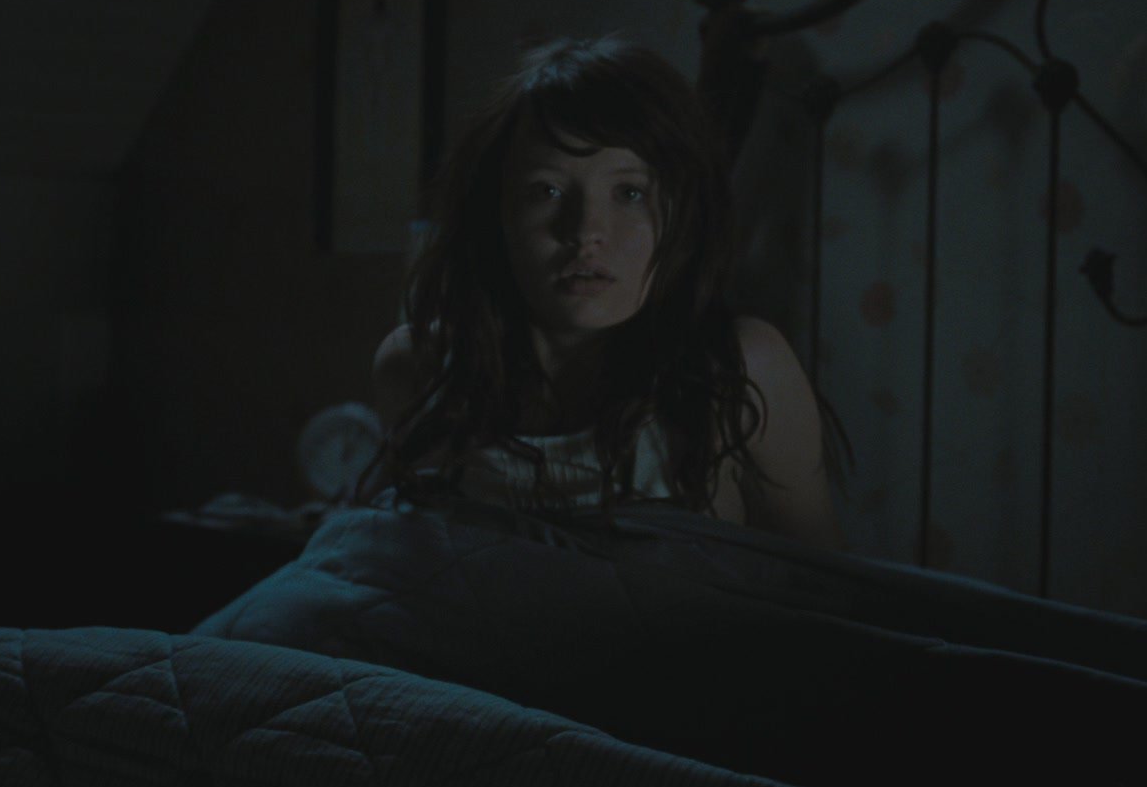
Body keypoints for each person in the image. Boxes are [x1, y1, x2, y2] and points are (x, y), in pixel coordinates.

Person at [359, 34, 849, 551]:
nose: (586, 231)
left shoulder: (740, 368)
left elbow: (821, 585)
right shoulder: (421, 367)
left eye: (629, 193)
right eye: (546, 190)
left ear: (681, 212)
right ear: (496, 211)